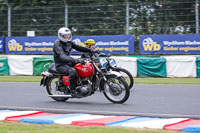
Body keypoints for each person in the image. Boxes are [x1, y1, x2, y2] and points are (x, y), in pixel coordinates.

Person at [53, 27, 93, 96]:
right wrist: (75, 60)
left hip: (68, 62)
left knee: (82, 66)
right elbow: (62, 56)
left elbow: (79, 47)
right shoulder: (57, 45)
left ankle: (82, 83)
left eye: (68, 35)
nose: (68, 37)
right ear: (61, 36)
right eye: (65, 36)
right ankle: (73, 90)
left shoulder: (69, 43)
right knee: (72, 71)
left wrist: (90, 50)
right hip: (60, 64)